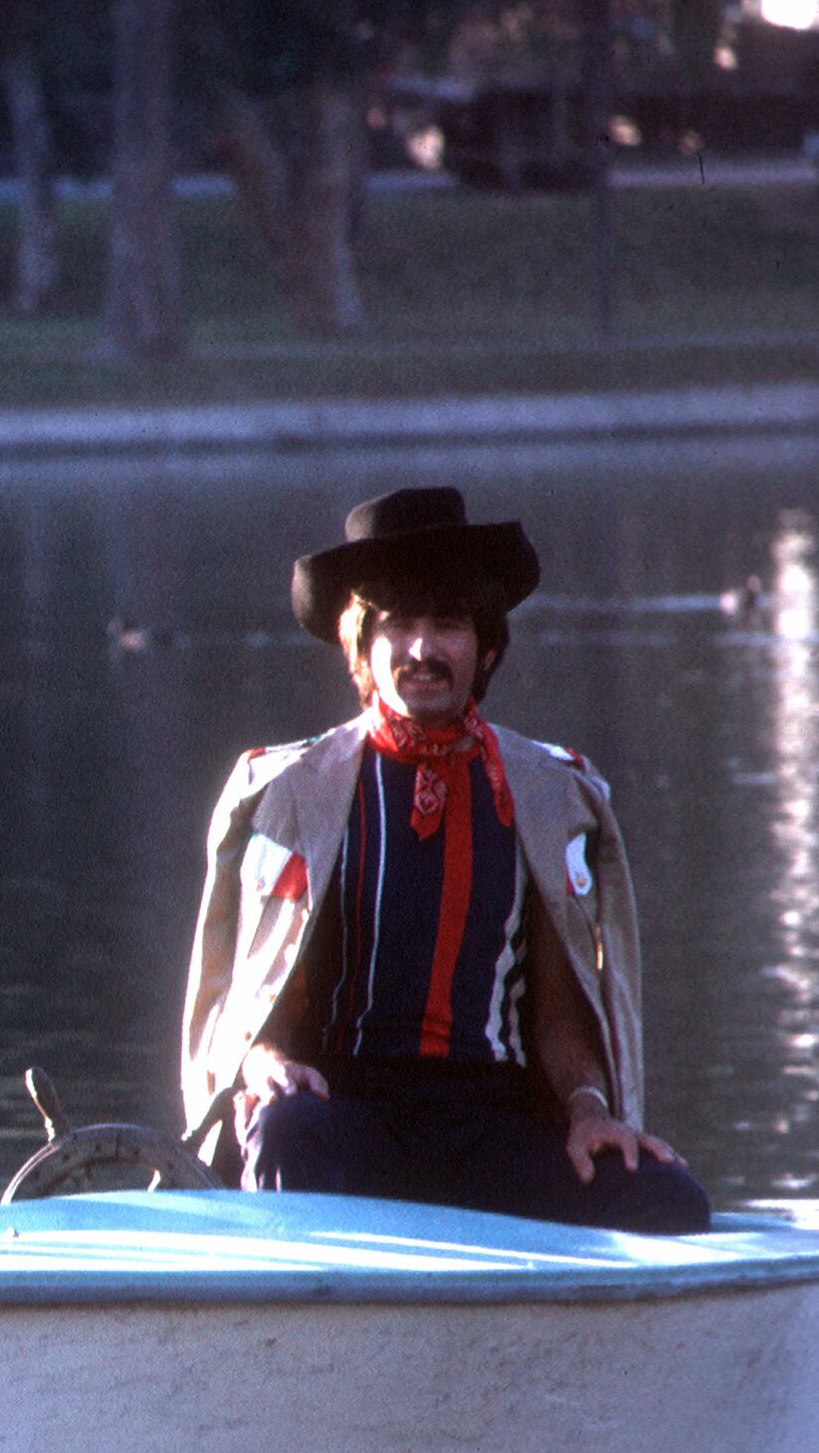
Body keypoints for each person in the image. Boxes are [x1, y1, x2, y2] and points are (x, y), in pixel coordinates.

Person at [182, 486, 708, 1232]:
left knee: (666, 1197)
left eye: (448, 625)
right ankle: (314, 1304)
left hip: (486, 1127)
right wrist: (264, 1061)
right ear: (361, 649)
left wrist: (590, 1111)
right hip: (344, 1114)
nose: (423, 650)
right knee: (284, 1129)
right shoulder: (293, 791)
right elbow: (256, 990)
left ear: (485, 648)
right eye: (399, 625)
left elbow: (559, 1014)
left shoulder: (548, 794)